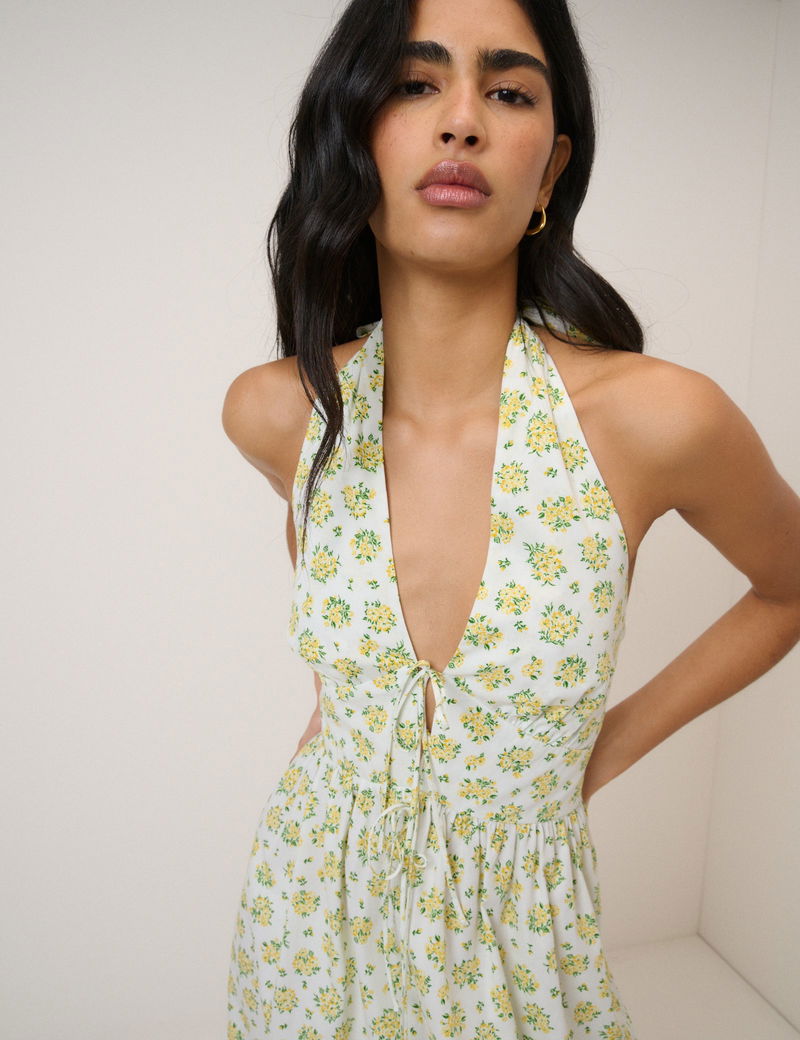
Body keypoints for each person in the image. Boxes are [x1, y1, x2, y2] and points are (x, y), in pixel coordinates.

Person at [221, 0, 800, 1036]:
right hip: (308, 918)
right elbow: (344, 658)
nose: (461, 121)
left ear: (550, 168)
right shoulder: (279, 413)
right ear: (352, 138)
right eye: (413, 83)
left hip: (521, 940)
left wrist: (593, 754)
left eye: (507, 91)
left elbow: (789, 586)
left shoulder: (657, 418)